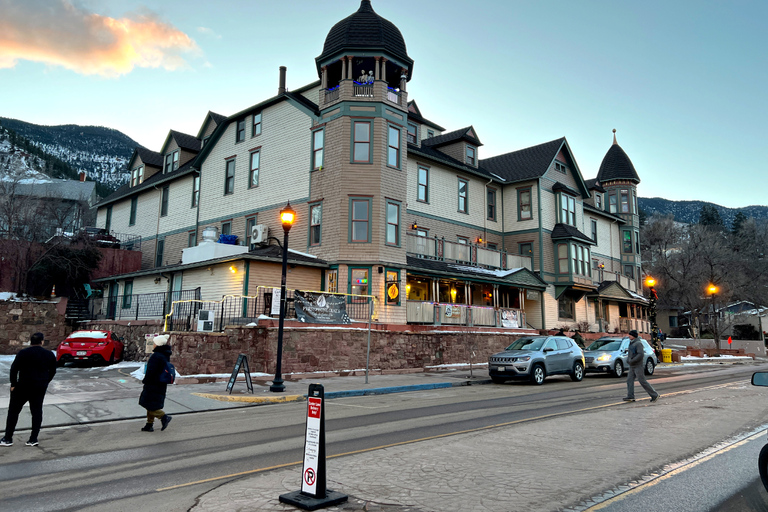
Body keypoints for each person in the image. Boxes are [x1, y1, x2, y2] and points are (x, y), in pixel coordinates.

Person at [1, 332, 57, 447]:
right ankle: (33, 438)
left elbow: (14, 368)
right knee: (36, 412)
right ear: (42, 341)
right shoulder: (49, 354)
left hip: (22, 386)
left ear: (30, 341)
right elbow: (53, 371)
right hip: (39, 387)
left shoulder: (23, 353)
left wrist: (13, 383)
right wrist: (46, 381)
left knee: (13, 412)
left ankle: (8, 438)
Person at [139, 334, 173, 432]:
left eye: (154, 343)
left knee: (147, 403)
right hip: (160, 383)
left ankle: (163, 417)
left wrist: (146, 381)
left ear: (157, 344)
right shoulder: (165, 355)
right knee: (151, 404)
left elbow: (151, 371)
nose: (153, 344)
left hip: (153, 383)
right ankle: (149, 424)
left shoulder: (156, 356)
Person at [624, 330, 660, 403]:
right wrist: (629, 360)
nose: (629, 336)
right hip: (632, 366)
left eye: (630, 335)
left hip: (638, 365)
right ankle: (630, 396)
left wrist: (632, 360)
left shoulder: (638, 343)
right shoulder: (631, 343)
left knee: (642, 381)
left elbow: (640, 354)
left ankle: (654, 395)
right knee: (629, 380)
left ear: (634, 336)